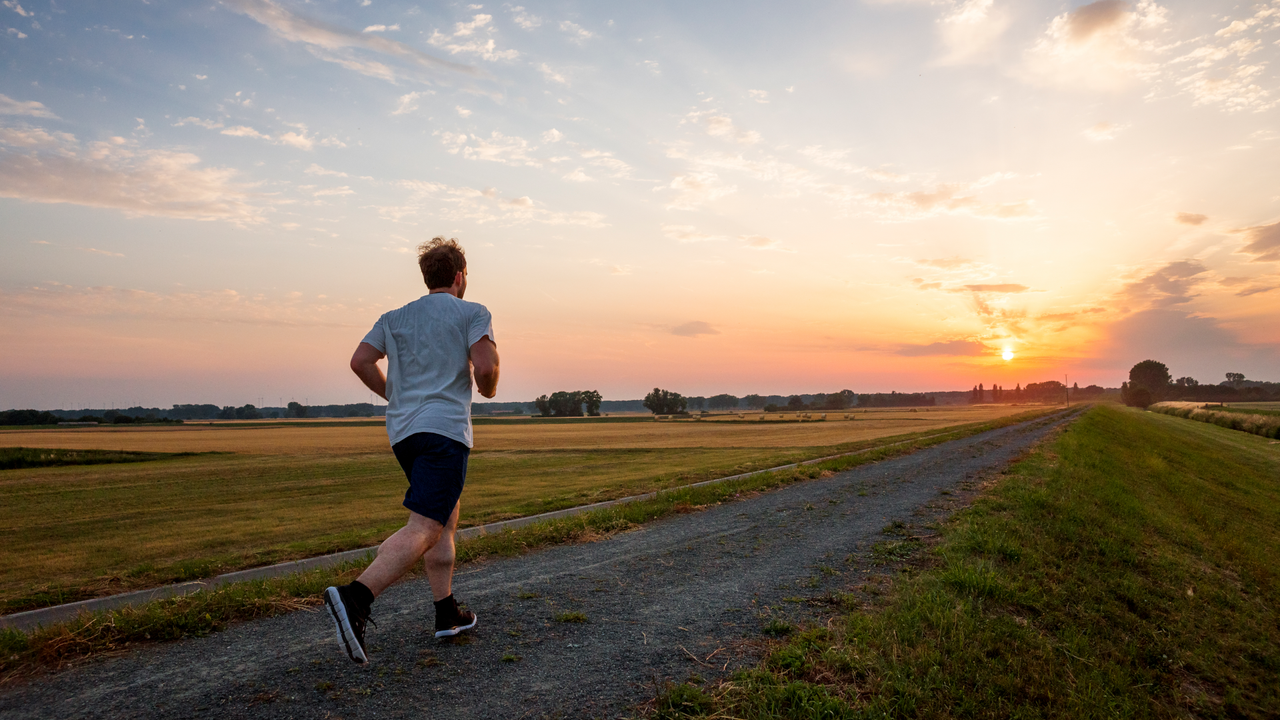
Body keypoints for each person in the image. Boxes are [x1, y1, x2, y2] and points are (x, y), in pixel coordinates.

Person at [324, 237, 499, 665]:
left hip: (404, 434)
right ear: (460, 277)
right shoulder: (473, 312)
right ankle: (356, 597)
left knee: (444, 518)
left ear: (427, 277)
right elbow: (487, 367)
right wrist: (488, 388)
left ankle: (447, 613)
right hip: (445, 432)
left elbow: (360, 362)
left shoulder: (394, 317)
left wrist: (395, 396)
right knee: (425, 526)